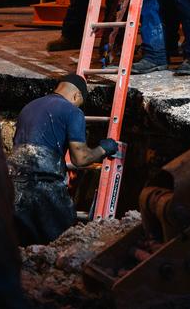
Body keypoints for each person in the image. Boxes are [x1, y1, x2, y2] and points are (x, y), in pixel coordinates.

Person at [8, 74, 118, 245]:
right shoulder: (73, 111)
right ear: (76, 96)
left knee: (21, 245)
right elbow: (80, 159)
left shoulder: (28, 107)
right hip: (43, 184)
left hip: (12, 184)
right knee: (63, 240)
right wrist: (104, 149)